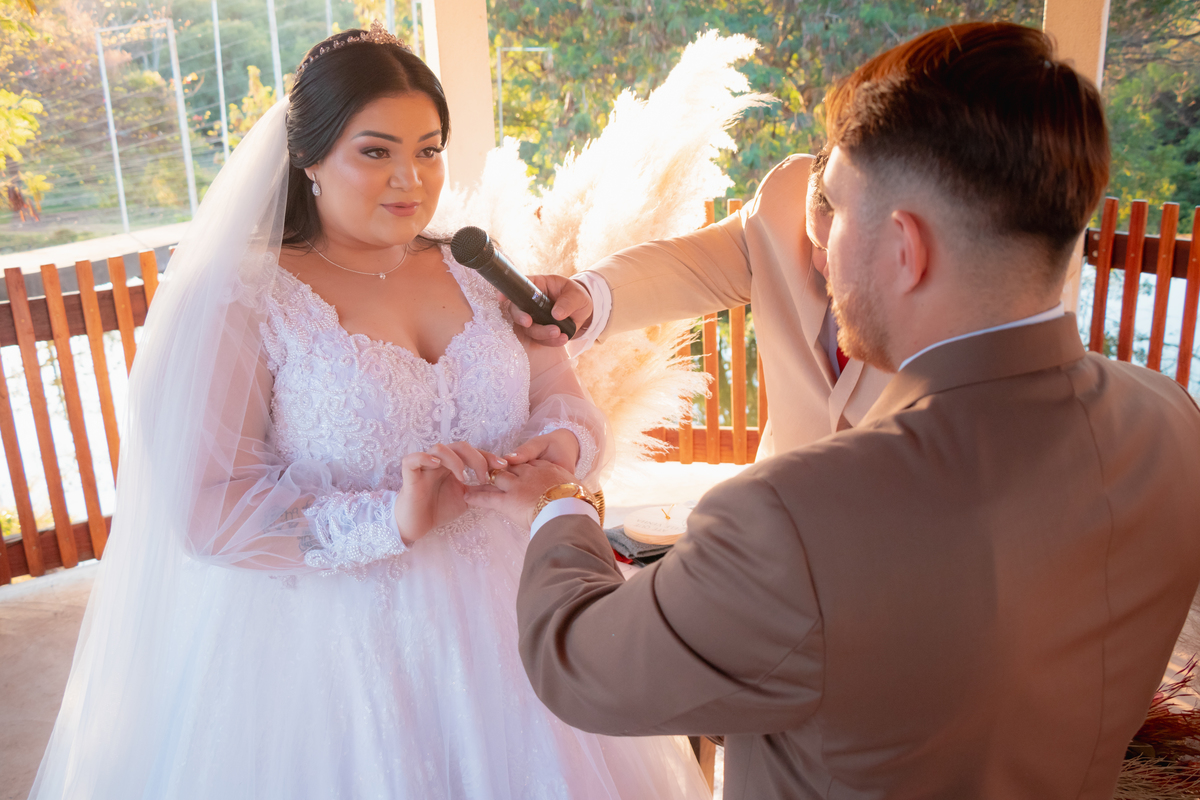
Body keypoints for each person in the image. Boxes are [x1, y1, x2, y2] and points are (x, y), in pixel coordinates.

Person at [468, 21, 1200, 800]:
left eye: (838, 212)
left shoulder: (789, 519)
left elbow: (580, 663)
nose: (815, 240)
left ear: (904, 248)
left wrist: (563, 504)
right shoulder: (1173, 424)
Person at [28, 25, 709, 799]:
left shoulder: (479, 267)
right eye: (377, 151)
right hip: (333, 646)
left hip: (517, 607)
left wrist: (555, 451)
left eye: (429, 148)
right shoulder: (244, 300)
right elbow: (209, 508)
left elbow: (564, 399)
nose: (409, 179)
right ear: (311, 158)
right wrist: (391, 519)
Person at [511, 148, 892, 457]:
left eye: (841, 248)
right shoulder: (787, 201)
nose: (820, 264)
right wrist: (590, 296)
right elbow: (693, 266)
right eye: (815, 242)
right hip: (782, 518)